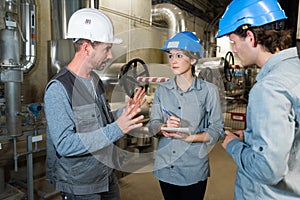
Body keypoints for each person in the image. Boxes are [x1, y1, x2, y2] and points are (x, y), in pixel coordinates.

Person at [44, 8, 146, 200]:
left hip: (105, 174)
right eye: (106, 48)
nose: (109, 55)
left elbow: (101, 122)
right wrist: (118, 128)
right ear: (86, 48)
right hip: (81, 185)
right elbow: (65, 145)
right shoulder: (59, 88)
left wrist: (126, 113)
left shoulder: (95, 80)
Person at [216, 0, 300, 199]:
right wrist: (253, 136)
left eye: (234, 42)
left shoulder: (269, 88)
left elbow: (268, 170)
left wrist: (232, 145)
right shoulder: (294, 71)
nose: (233, 50)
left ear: (251, 38)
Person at [148, 31, 224, 200]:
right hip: (165, 167)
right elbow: (152, 124)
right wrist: (162, 128)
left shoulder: (208, 91)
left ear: (193, 59)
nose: (173, 60)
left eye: (179, 55)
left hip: (193, 168)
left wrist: (192, 138)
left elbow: (217, 128)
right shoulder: (162, 90)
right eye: (170, 56)